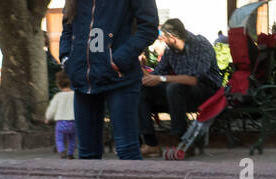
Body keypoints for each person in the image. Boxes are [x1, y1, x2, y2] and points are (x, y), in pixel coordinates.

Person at [60, 0, 159, 161]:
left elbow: (149, 28)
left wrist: (118, 59)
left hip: (121, 77)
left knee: (127, 151)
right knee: (86, 154)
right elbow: (68, 27)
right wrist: (66, 58)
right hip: (83, 78)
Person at [138, 17, 222, 155]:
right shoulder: (170, 50)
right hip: (179, 93)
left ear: (172, 37)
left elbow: (194, 79)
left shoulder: (200, 44)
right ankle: (150, 143)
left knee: (174, 87)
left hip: (206, 91)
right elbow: (157, 74)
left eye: (163, 38)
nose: (161, 41)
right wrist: (139, 68)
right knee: (144, 89)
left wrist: (161, 78)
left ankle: (183, 141)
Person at [46, 71, 77, 158]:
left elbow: (52, 109)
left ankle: (62, 151)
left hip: (61, 123)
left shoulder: (58, 96)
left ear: (58, 84)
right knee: (72, 139)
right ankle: (70, 153)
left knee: (59, 138)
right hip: (74, 121)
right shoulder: (75, 95)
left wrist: (48, 118)